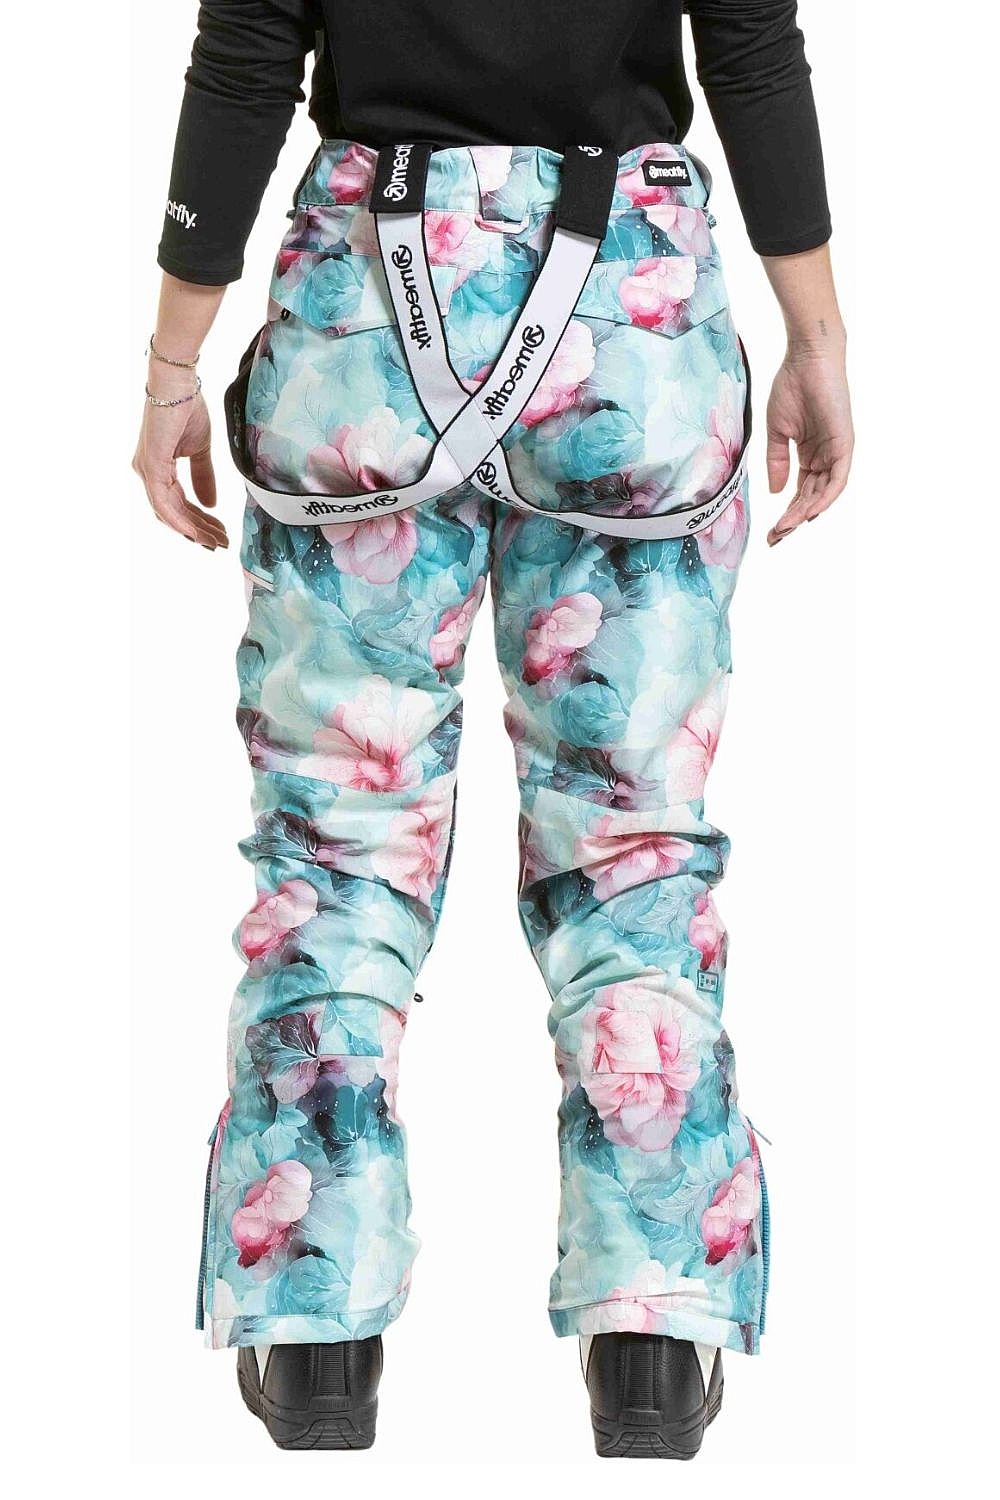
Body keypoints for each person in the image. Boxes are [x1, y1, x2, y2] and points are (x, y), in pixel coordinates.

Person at [134, 0, 852, 1458]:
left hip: (368, 307)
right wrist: (816, 331)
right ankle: (653, 1340)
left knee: (336, 837)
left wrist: (171, 362)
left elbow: (248, 55)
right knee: (632, 844)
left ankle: (315, 1332)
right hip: (627, 304)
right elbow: (750, 47)